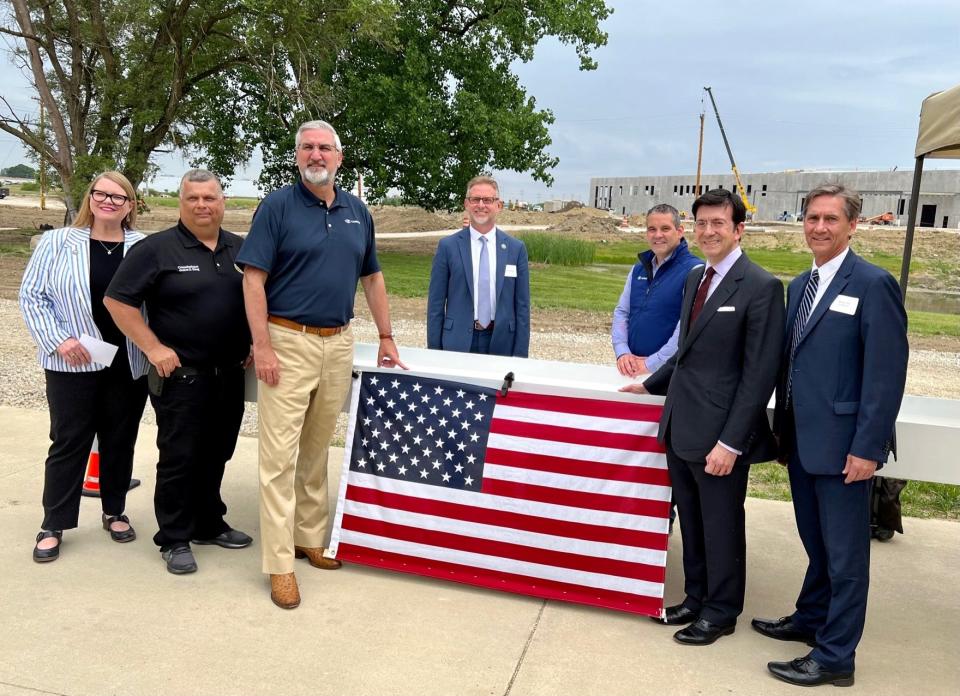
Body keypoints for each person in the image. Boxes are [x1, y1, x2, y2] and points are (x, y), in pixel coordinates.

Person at [237, 119, 406, 609]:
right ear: (297, 157)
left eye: (324, 148)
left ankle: (310, 536)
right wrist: (262, 345)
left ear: (339, 157)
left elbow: (372, 278)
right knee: (278, 459)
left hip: (339, 342)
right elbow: (253, 280)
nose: (316, 155)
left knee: (316, 448)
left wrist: (387, 336)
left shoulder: (358, 212)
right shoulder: (277, 207)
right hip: (288, 341)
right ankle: (279, 563)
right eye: (307, 148)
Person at [754, 184, 908, 687]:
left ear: (852, 225)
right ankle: (811, 618)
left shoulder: (873, 283)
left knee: (845, 559)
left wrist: (868, 448)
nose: (819, 227)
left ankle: (836, 656)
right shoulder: (799, 285)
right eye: (812, 217)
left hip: (846, 450)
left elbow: (885, 377)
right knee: (816, 543)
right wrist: (782, 434)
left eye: (830, 219)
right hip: (800, 443)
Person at [620, 188, 784, 645]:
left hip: (720, 435)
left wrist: (731, 442)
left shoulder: (761, 287)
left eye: (719, 223)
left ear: (738, 229)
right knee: (691, 520)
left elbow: (759, 376)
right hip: (682, 425)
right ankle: (695, 598)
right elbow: (684, 354)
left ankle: (721, 610)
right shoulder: (697, 278)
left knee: (721, 525)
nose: (709, 231)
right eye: (703, 223)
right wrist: (649, 386)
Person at [105, 169, 253, 575]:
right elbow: (117, 301)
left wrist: (257, 342)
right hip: (182, 376)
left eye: (210, 198)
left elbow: (257, 300)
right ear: (180, 202)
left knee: (217, 452)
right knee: (180, 457)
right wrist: (152, 347)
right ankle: (173, 537)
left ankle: (208, 522)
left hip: (230, 373)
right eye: (193, 198)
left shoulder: (240, 249)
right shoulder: (157, 249)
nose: (202, 205)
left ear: (223, 201)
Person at [19, 171, 148, 562]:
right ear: (90, 198)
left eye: (119, 196)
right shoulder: (58, 243)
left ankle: (114, 510)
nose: (109, 201)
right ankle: (54, 522)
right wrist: (60, 340)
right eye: (101, 194)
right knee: (68, 440)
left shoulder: (142, 246)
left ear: (130, 206)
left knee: (120, 439)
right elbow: (32, 296)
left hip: (126, 361)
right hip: (72, 360)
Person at [427, 176, 530, 357]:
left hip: (502, 342)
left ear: (499, 205)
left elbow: (522, 307)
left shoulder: (516, 249)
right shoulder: (448, 247)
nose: (481, 205)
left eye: (488, 200)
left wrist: (521, 356)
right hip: (457, 341)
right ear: (467, 204)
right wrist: (434, 354)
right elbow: (435, 305)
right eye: (475, 199)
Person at [612, 203, 702, 377]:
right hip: (633, 369)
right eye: (652, 229)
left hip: (671, 374)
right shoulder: (638, 269)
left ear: (680, 231)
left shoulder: (695, 271)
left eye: (665, 228)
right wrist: (622, 353)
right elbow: (622, 312)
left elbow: (686, 327)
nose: (658, 235)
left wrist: (651, 363)